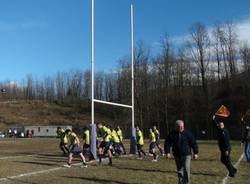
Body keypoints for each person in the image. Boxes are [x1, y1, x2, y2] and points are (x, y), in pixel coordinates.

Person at [165, 120, 198, 184]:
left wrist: (195, 152)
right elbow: (167, 143)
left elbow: (193, 143)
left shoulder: (188, 134)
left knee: (186, 168)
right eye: (179, 126)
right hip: (177, 155)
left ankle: (186, 182)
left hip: (186, 155)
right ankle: (180, 182)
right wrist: (167, 152)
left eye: (182, 126)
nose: (181, 128)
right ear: (176, 127)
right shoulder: (172, 134)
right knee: (180, 170)